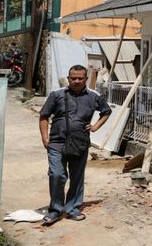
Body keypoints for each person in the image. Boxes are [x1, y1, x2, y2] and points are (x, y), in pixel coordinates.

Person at [38, 65, 111, 226]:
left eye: (80, 78)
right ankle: (55, 210)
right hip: (57, 142)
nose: (76, 81)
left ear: (86, 79)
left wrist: (95, 127)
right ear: (68, 78)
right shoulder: (56, 95)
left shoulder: (94, 97)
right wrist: (45, 139)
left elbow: (106, 111)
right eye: (73, 78)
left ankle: (72, 208)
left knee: (77, 177)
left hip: (80, 143)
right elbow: (44, 116)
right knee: (56, 174)